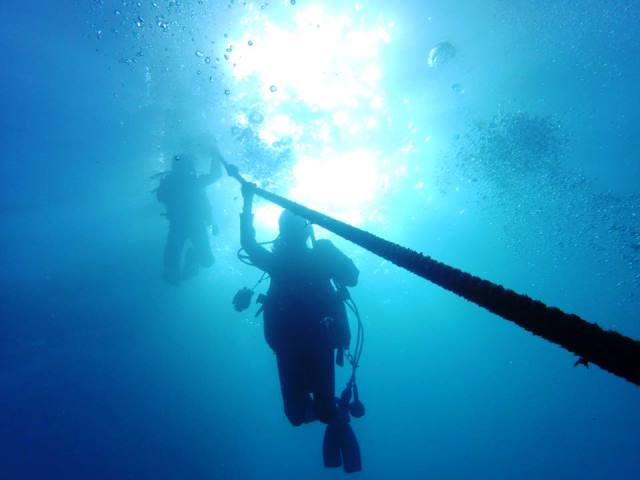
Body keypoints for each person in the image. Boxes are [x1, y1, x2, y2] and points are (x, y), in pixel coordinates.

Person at [239, 182, 362, 473]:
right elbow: (249, 245)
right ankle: (334, 413)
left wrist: (248, 201)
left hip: (316, 342)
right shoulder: (280, 262)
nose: (292, 234)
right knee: (296, 417)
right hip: (291, 346)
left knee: (321, 412)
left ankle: (335, 414)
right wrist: (247, 202)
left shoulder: (317, 256)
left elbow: (351, 277)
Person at [156, 149, 221, 284]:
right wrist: (215, 156)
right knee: (171, 264)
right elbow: (216, 175)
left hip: (187, 225)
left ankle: (192, 257)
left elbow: (161, 198)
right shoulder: (192, 182)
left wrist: (211, 222)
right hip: (184, 225)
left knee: (206, 261)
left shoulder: (187, 182)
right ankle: (192, 259)